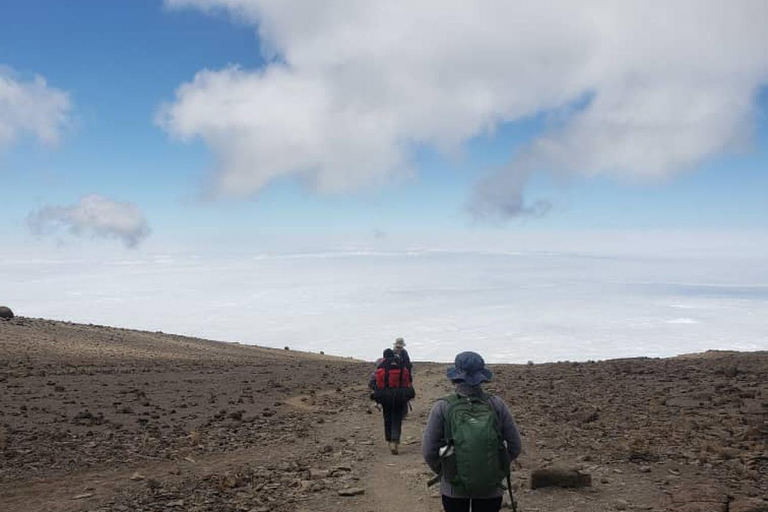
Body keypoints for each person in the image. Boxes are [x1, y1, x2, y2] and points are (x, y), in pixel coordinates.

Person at [422, 351, 522, 512]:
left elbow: (428, 451)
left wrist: (447, 472)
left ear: (455, 376)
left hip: (453, 489)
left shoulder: (442, 406)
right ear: (481, 376)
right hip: (491, 488)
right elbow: (515, 446)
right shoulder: (497, 404)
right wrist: (494, 469)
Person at [370, 348, 414, 454]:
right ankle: (395, 441)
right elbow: (407, 381)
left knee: (387, 417)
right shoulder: (402, 367)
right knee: (397, 418)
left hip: (386, 396)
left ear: (384, 356)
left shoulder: (381, 368)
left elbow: (378, 384)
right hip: (399, 396)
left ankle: (389, 440)